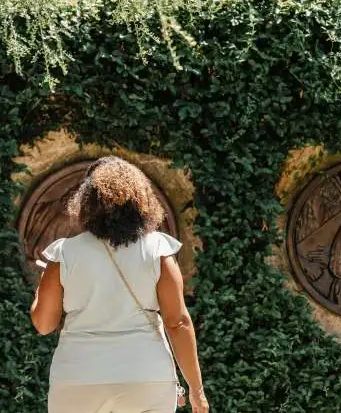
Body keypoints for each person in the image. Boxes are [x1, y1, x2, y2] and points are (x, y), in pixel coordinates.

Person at [30, 156, 209, 413]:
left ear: (86, 202)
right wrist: (196, 390)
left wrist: (41, 288)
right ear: (141, 199)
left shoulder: (65, 254)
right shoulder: (158, 249)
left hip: (79, 377)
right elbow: (177, 322)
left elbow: (44, 324)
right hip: (146, 376)